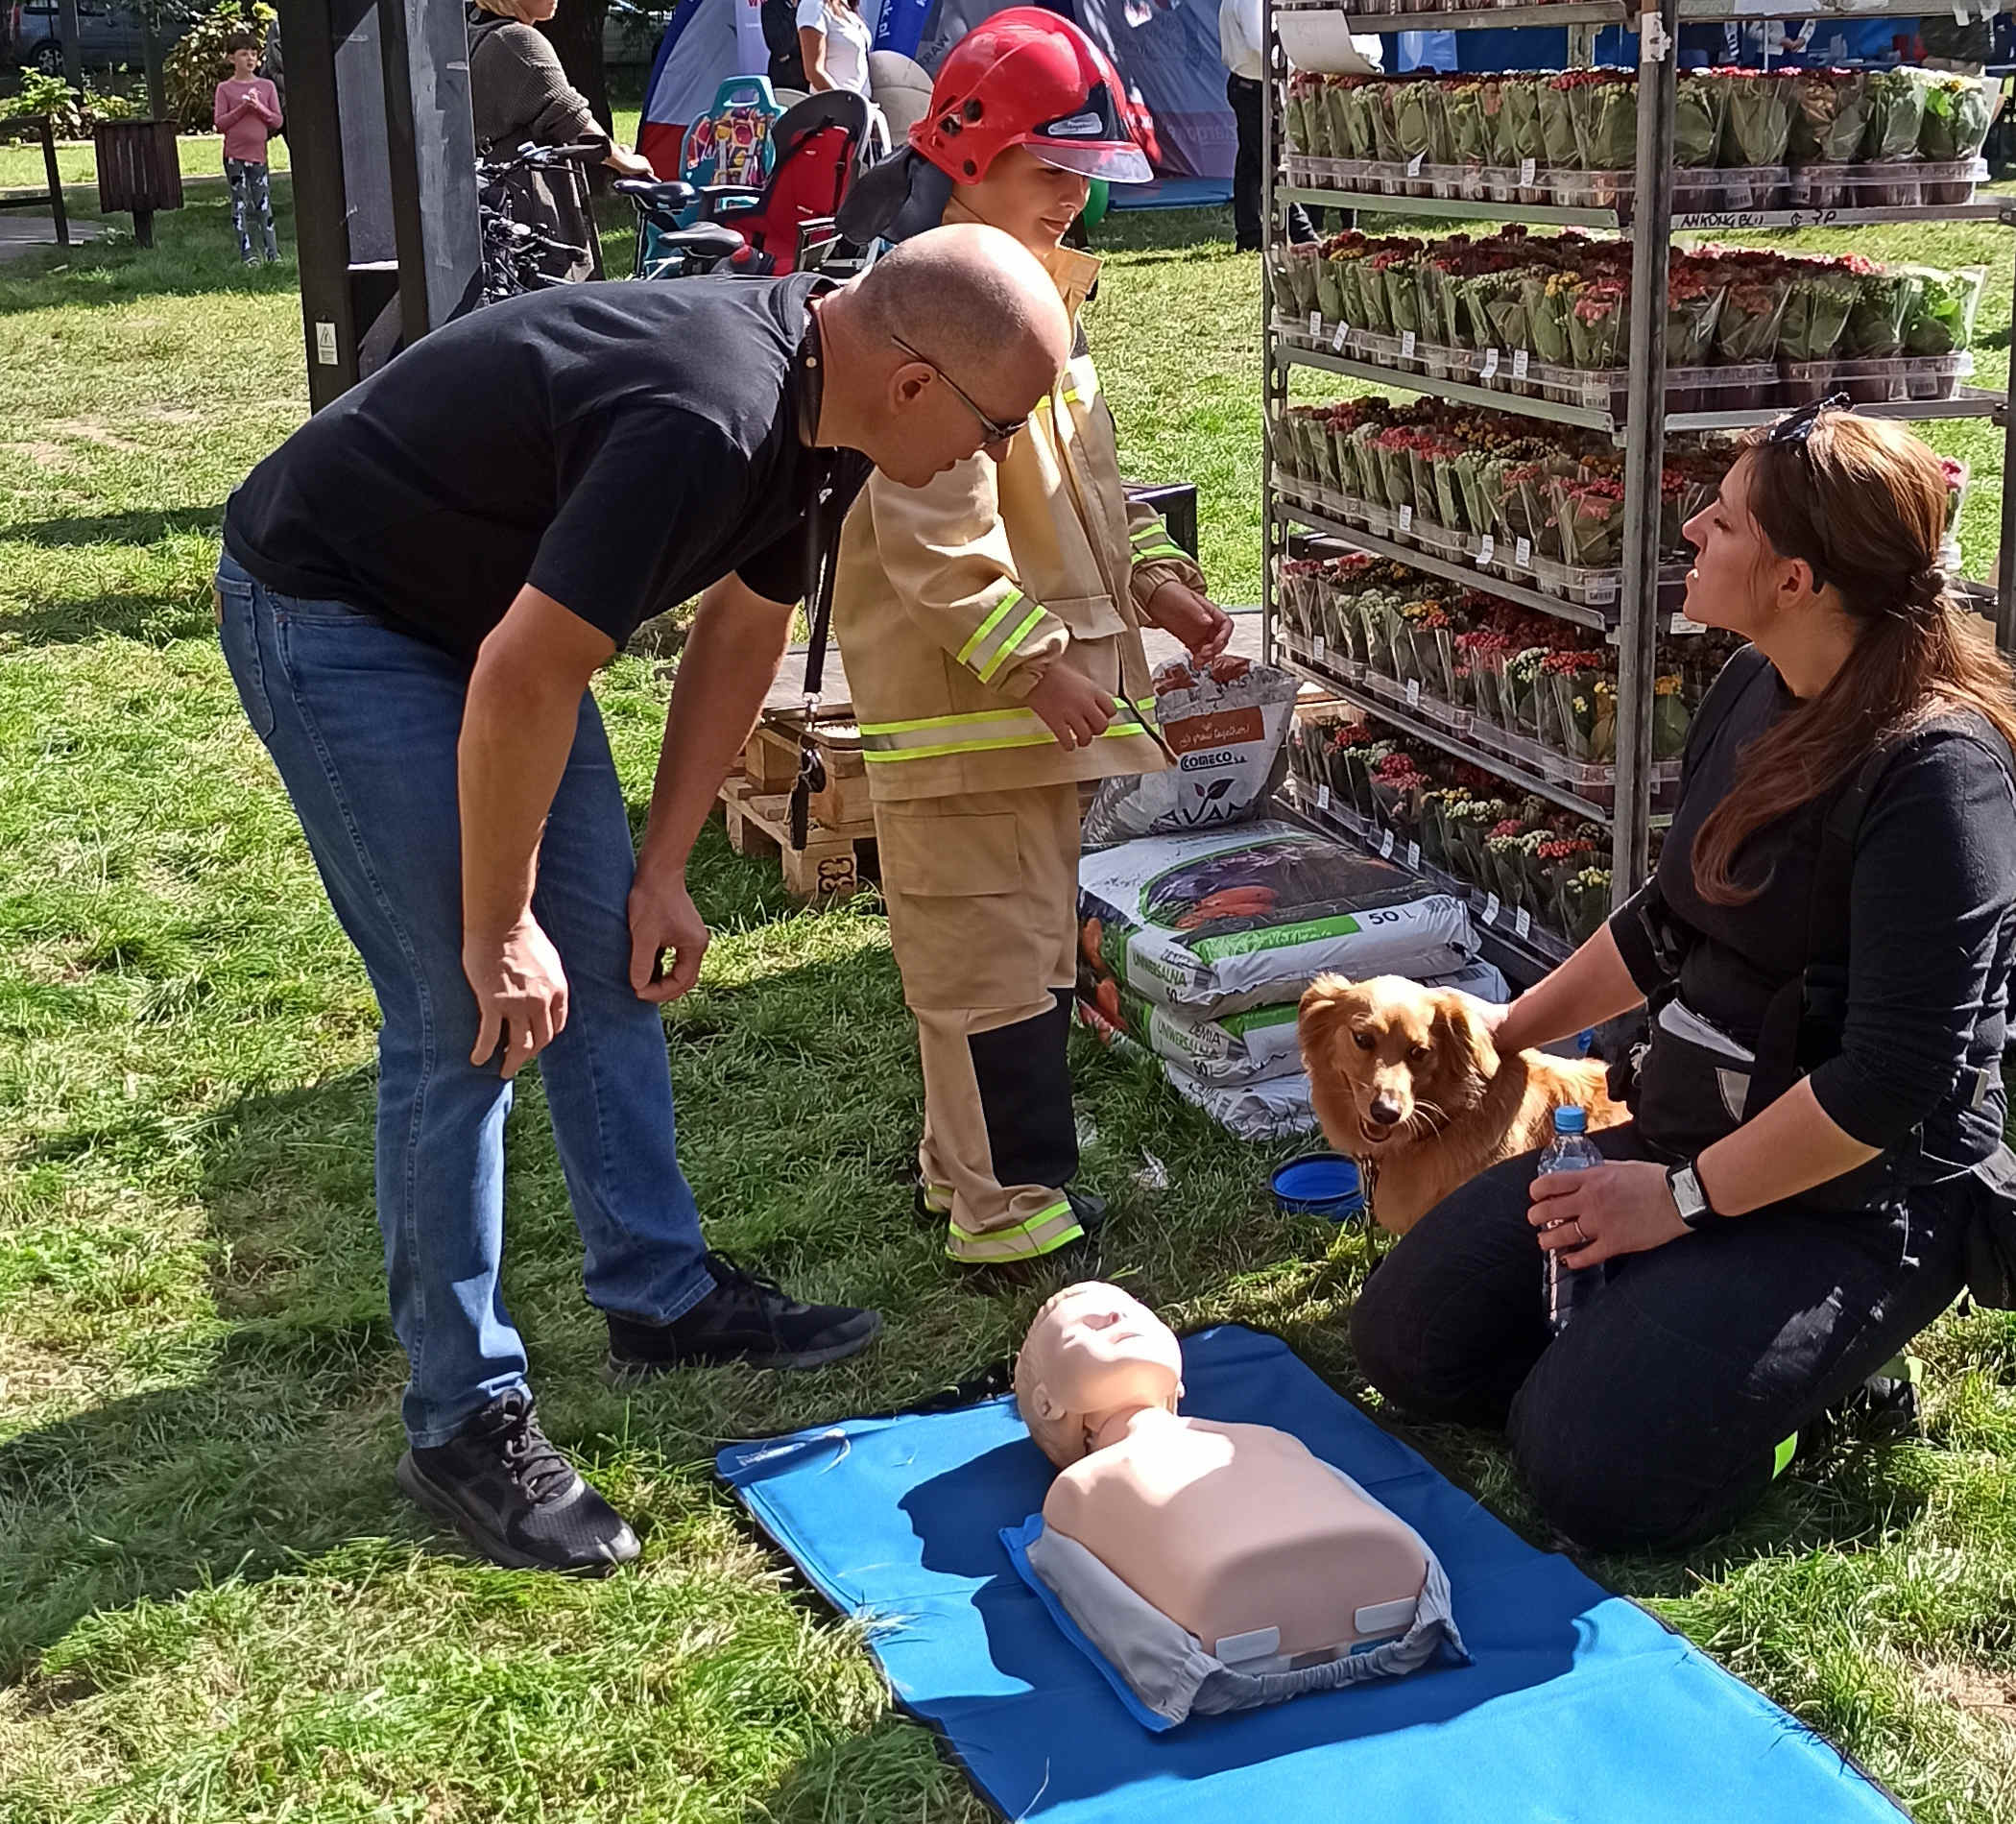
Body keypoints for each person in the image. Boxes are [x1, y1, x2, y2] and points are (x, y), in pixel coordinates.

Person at [214, 229, 1073, 1573]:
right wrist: (499, 925)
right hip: (341, 612)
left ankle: (659, 1295)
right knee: (464, 1012)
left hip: (493, 625)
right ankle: (463, 1415)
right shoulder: (707, 419)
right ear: (914, 385)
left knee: (608, 948)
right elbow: (522, 678)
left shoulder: (831, 408)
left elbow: (742, 630)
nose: (995, 457)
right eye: (998, 426)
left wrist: (662, 868)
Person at [1351, 406, 2016, 1553]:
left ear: (1798, 576)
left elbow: (1889, 1084)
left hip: (1862, 1192)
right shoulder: (1754, 686)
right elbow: (1667, 923)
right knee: (1409, 1344)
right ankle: (1673, 1348)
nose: (1695, 527)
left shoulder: (1940, 777)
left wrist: (1676, 1204)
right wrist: (1505, 1034)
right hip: (1691, 1124)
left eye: (1727, 518)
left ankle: (1815, 1387)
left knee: (1590, 1475)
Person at [829, 10, 1233, 1267]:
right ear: (965, 155)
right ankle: (1007, 1211)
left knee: (1010, 951)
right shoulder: (935, 311)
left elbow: (1073, 503)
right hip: (970, 720)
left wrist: (1153, 585)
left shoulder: (1030, 296)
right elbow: (933, 530)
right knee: (988, 972)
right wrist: (1034, 660)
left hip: (1018, 726)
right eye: (1049, 168)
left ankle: (970, 1175)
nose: (1075, 196)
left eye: (1088, 171)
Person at [465, 0, 657, 284]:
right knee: (561, 307)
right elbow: (573, 122)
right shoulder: (517, 40)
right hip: (533, 213)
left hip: (499, 208)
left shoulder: (475, 30)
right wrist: (627, 162)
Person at [213, 34, 281, 266]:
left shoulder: (267, 86)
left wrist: (258, 107)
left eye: (253, 53)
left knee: (263, 203)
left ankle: (273, 252)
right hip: (234, 156)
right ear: (231, 58)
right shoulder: (225, 89)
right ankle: (247, 253)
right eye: (243, 54)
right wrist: (243, 108)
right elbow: (221, 123)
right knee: (240, 202)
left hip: (258, 156)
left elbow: (276, 120)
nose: (250, 58)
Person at [798, 0, 872, 97]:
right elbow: (814, 72)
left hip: (863, 105)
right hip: (835, 107)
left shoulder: (848, 8)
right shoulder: (814, 5)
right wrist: (844, 103)